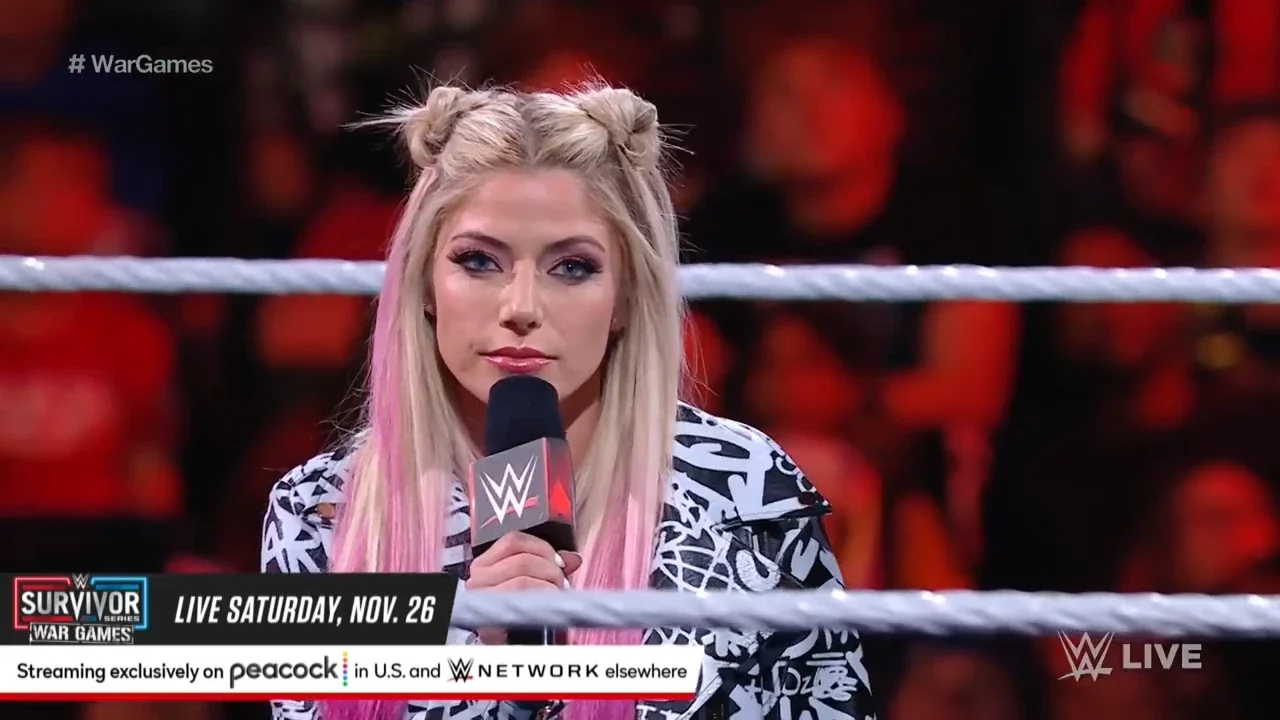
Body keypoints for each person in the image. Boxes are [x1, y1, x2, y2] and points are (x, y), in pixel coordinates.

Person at [259, 84, 876, 720]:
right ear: (424, 284)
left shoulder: (740, 486)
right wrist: (476, 663)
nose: (521, 307)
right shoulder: (323, 512)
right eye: (479, 261)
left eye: (572, 267)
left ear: (626, 297)